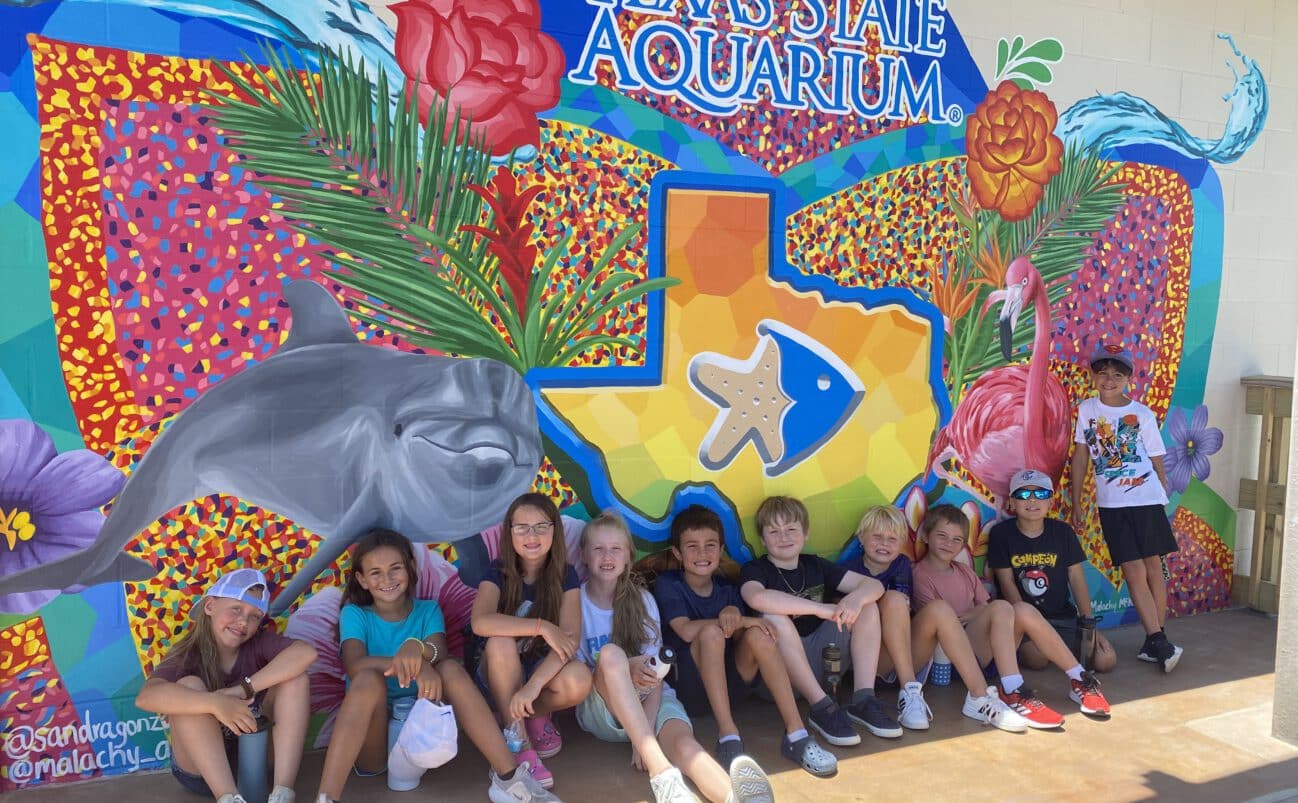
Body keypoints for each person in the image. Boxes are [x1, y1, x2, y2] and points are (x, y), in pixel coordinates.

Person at [313, 528, 559, 803]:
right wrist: (414, 665)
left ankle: (508, 777)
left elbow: (438, 652)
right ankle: (326, 797)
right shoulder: (355, 614)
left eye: (395, 568)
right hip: (375, 745)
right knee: (368, 679)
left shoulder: (427, 610)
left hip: (425, 737)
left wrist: (417, 651)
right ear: (362, 579)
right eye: (376, 573)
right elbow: (354, 665)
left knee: (451, 669)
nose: (387, 579)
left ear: (411, 568)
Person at [576, 511, 774, 803]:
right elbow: (583, 675)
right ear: (583, 555)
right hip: (602, 706)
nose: (608, 556)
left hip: (652, 698)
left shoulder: (642, 600)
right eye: (598, 549)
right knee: (610, 655)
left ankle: (735, 797)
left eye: (616, 548)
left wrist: (643, 734)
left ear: (629, 554)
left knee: (684, 744)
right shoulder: (576, 602)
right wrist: (642, 739)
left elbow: (657, 675)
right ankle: (662, 773)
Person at [654, 504, 838, 777]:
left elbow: (742, 632)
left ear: (721, 549)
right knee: (713, 632)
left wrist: (738, 618)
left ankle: (796, 734)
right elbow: (685, 631)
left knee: (758, 635)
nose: (702, 553)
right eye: (692, 546)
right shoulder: (670, 584)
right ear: (678, 553)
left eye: (710, 545)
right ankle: (728, 735)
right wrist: (741, 619)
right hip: (691, 691)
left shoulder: (728, 588)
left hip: (732, 687)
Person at [912, 505, 1110, 728]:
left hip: (990, 653)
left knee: (1021, 609)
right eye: (942, 536)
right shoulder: (920, 574)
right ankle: (1012, 690)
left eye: (957, 539)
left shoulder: (963, 570)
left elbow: (982, 606)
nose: (949, 544)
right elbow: (940, 622)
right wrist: (977, 613)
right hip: (957, 660)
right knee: (1002, 607)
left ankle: (1079, 679)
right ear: (926, 536)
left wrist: (974, 613)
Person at [135, 568, 315, 803]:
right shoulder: (188, 653)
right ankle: (228, 797)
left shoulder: (259, 643)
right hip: (200, 773)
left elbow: (305, 653)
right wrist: (215, 703)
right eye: (236, 609)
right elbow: (146, 697)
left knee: (296, 679)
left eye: (254, 616)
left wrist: (240, 690)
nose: (243, 622)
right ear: (210, 607)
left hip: (256, 764)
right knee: (188, 687)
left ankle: (282, 792)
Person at [845, 505, 1028, 733]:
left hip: (907, 655)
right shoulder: (848, 570)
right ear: (861, 538)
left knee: (938, 608)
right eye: (877, 537)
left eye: (892, 539)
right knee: (892, 599)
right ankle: (909, 691)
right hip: (873, 662)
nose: (884, 544)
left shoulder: (901, 564)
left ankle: (977, 697)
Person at [738, 496, 900, 750]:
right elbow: (756, 597)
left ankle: (863, 699)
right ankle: (821, 708)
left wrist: (855, 600)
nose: (784, 537)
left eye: (791, 529)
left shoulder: (815, 565)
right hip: (781, 677)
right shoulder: (755, 568)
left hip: (824, 666)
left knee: (867, 605)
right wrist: (820, 609)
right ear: (762, 539)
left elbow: (874, 585)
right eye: (774, 531)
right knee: (772, 617)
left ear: (805, 534)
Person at [1071, 343, 1182, 672]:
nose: (1109, 380)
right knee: (1132, 570)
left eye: (1117, 375)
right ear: (1094, 377)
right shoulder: (1087, 410)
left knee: (1153, 567)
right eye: (1102, 373)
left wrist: (1162, 487)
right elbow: (1081, 456)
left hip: (1145, 499)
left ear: (1128, 379)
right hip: (1111, 505)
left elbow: (1156, 456)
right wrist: (1078, 501)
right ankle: (1158, 641)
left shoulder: (1142, 414)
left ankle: (1155, 638)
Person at [471, 493, 593, 788]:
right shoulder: (498, 571)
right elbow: (480, 622)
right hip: (496, 673)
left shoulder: (565, 575)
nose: (532, 535)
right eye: (522, 527)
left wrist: (532, 687)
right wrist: (541, 627)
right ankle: (518, 740)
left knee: (579, 678)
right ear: (509, 532)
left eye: (541, 526)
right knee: (500, 641)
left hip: (535, 675)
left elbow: (569, 642)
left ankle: (531, 714)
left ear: (555, 530)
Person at [989, 469, 1118, 673]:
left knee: (1106, 660)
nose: (1032, 500)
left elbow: (1076, 578)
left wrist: (1089, 628)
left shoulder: (1063, 532)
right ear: (1012, 503)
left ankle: (1062, 650)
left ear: (1050, 502)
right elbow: (1006, 583)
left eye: (1041, 494)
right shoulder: (1001, 534)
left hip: (1064, 618)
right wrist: (1028, 624)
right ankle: (1061, 653)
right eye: (1023, 495)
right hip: (1028, 624)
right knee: (1037, 659)